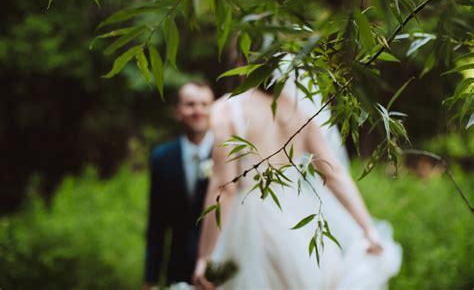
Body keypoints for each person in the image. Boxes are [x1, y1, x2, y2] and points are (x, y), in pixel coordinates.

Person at [193, 72, 402, 289]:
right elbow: (333, 173)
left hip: (251, 221)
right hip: (302, 222)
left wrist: (206, 256)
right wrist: (368, 229)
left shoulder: (226, 109)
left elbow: (224, 188)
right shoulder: (298, 109)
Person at [144, 81, 215, 289]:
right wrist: (150, 279)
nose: (198, 111)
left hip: (219, 268)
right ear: (177, 111)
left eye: (204, 104)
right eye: (190, 104)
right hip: (177, 271)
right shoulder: (161, 158)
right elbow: (156, 224)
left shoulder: (229, 154)